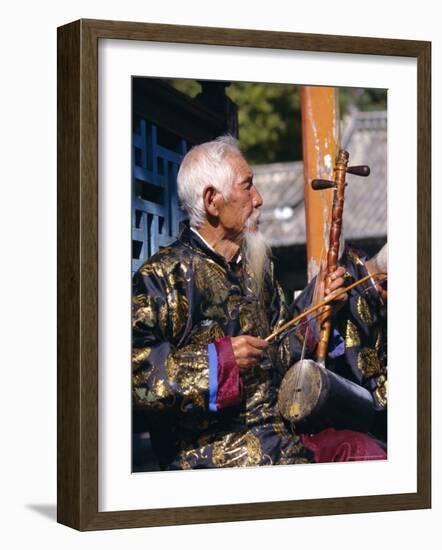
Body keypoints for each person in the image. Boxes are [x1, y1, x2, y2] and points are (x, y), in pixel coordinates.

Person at [132, 135, 386, 470]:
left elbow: (279, 351)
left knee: (365, 452)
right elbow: (135, 375)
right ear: (212, 200)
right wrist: (219, 361)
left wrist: (318, 308)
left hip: (283, 436)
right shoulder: (163, 276)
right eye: (248, 186)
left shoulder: (256, 267)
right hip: (213, 453)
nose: (259, 198)